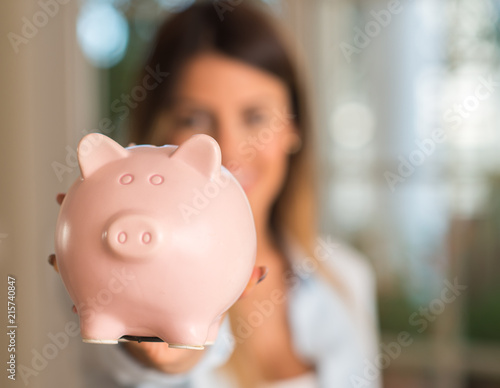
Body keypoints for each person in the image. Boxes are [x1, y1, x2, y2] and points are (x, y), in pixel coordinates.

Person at [52, 1, 381, 387]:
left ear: (294, 128)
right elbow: (133, 367)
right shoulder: (107, 269)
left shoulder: (347, 278)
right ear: (157, 134)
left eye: (255, 117)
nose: (228, 148)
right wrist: (162, 353)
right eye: (194, 119)